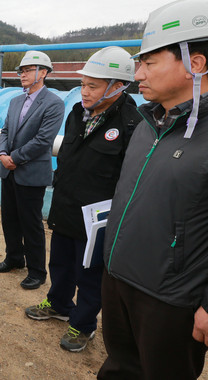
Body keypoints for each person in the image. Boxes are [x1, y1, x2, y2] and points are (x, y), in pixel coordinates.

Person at [98, 0, 208, 378]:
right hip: (118, 280)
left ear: (195, 63)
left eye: (150, 62)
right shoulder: (148, 122)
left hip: (170, 300)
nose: (138, 73)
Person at [24, 46, 141, 352]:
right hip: (65, 206)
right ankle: (59, 303)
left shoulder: (133, 124)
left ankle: (83, 324)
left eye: (92, 86)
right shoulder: (78, 113)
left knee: (89, 274)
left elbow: (131, 180)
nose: (84, 92)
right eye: (83, 84)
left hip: (98, 219)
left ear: (117, 86)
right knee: (60, 262)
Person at [0, 50, 64, 290]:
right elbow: (4, 131)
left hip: (30, 173)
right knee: (9, 219)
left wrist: (14, 158)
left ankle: (37, 271)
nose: (22, 74)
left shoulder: (53, 103)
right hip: (9, 170)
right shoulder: (15, 101)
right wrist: (2, 154)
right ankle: (14, 258)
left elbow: (44, 140)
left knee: (31, 223)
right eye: (21, 71)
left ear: (43, 73)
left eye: (27, 70)